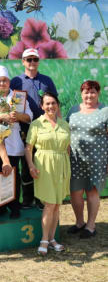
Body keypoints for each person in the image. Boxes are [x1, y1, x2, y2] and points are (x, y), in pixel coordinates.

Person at [0, 65, 32, 219]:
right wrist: (0, 116)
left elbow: (29, 117)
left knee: (13, 177)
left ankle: (15, 207)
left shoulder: (18, 97)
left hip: (15, 142)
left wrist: (18, 116)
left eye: (4, 81)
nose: (1, 84)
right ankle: (1, 207)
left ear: (9, 82)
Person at [10, 48, 58, 209]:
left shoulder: (47, 81)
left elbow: (55, 104)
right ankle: (28, 199)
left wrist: (55, 125)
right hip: (23, 128)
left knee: (42, 163)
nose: (32, 62)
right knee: (26, 164)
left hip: (44, 128)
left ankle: (40, 198)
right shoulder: (15, 81)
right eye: (28, 59)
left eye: (35, 59)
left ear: (38, 61)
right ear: (23, 61)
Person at [24, 92, 70, 256]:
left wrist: (66, 167)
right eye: (47, 104)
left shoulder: (65, 124)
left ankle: (52, 239)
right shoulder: (36, 124)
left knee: (57, 204)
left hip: (62, 166)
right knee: (50, 203)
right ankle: (44, 239)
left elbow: (68, 148)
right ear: (42, 106)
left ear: (57, 105)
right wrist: (31, 166)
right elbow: (28, 148)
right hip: (44, 166)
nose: (51, 106)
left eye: (53, 103)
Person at [66, 80, 108, 238]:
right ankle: (79, 222)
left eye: (93, 92)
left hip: (97, 160)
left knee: (92, 192)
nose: (89, 95)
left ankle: (90, 226)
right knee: (75, 192)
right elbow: (67, 132)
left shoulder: (105, 111)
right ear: (81, 94)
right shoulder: (73, 110)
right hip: (75, 159)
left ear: (98, 93)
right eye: (86, 92)